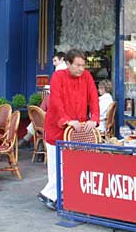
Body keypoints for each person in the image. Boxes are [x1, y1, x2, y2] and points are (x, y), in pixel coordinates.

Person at [38, 49, 99, 210]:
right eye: (78, 65)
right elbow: (56, 101)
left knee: (71, 162)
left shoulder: (86, 76)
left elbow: (93, 98)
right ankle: (52, 195)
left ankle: (53, 195)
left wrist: (95, 118)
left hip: (77, 129)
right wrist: (67, 120)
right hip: (57, 127)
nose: (81, 69)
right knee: (56, 164)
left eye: (83, 65)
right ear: (68, 64)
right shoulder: (58, 76)